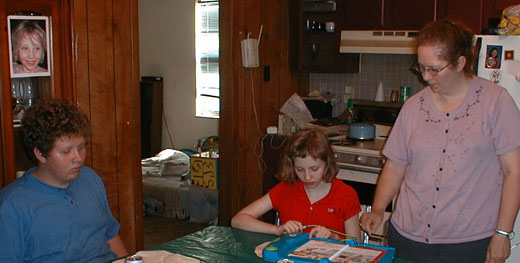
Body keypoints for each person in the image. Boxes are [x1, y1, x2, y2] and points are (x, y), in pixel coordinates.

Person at [360, 20, 520, 263]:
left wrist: (502, 233)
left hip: (468, 244)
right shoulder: (414, 107)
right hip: (407, 239)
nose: (426, 77)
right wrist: (378, 209)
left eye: (434, 69)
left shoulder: (495, 102)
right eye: (421, 68)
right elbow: (395, 166)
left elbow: (514, 171)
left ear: (459, 62)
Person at [0, 99, 128, 262]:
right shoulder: (12, 205)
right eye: (66, 151)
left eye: (81, 147)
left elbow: (111, 236)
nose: (78, 158)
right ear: (40, 154)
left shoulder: (90, 179)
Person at [231, 128, 361, 241]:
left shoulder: (346, 195)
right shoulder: (285, 190)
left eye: (314, 169)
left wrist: (334, 237)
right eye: (299, 170)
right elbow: (238, 220)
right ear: (292, 166)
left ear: (327, 163)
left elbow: (358, 247)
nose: (307, 177)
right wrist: (276, 230)